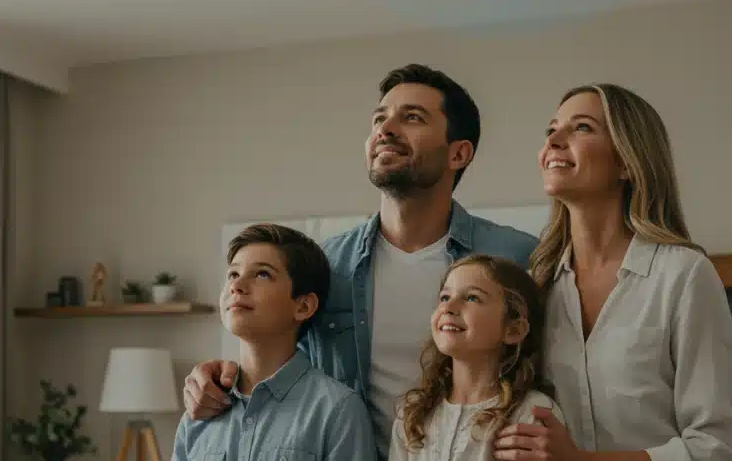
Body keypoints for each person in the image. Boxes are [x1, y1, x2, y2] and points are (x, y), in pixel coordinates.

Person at [183, 64, 540, 458]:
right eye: (379, 118)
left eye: (412, 117)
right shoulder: (327, 264)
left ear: (458, 153)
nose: (386, 129)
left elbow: (548, 369)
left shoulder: (518, 257)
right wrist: (217, 378)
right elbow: (275, 358)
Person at [492, 83, 732, 461]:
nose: (554, 140)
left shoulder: (684, 275)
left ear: (627, 162)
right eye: (551, 130)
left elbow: (715, 447)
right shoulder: (537, 284)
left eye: (582, 127)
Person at [171, 223, 376, 460]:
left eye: (262, 274)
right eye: (233, 274)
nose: (236, 286)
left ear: (303, 306)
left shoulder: (337, 411)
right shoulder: (200, 412)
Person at [390, 254, 565, 461]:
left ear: (513, 330)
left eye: (472, 298)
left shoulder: (531, 413)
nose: (448, 308)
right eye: (444, 297)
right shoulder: (412, 414)